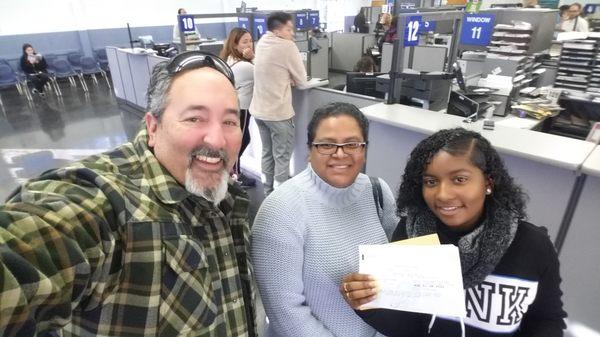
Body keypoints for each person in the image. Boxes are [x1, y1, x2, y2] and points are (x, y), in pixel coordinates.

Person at [0, 51, 256, 336]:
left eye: (230, 122)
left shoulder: (227, 198)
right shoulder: (107, 201)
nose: (218, 139)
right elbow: (29, 250)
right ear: (153, 127)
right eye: (195, 118)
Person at [341, 128, 567, 336]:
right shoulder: (413, 235)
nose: (443, 195)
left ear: (488, 182)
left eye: (459, 179)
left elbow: (547, 320)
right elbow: (409, 328)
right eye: (431, 181)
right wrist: (368, 306)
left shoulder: (532, 245)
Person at [251, 102, 399, 337]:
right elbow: (287, 316)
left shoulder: (378, 192)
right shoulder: (280, 210)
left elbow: (396, 276)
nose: (340, 154)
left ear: (364, 149)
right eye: (327, 145)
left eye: (352, 144)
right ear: (309, 150)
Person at [249, 11, 309, 195]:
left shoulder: (262, 43)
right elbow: (303, 81)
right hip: (278, 113)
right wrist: (292, 78)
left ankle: (268, 192)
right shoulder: (287, 46)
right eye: (289, 29)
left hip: (259, 111)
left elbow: (273, 70)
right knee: (282, 157)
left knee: (267, 154)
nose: (292, 33)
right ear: (278, 29)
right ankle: (280, 198)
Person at [220, 27, 257, 188]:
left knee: (240, 139)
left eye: (250, 40)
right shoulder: (245, 66)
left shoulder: (229, 58)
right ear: (235, 45)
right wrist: (253, 57)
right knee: (241, 140)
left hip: (233, 106)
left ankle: (232, 170)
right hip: (241, 108)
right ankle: (234, 174)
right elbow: (265, 74)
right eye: (244, 41)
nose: (249, 44)